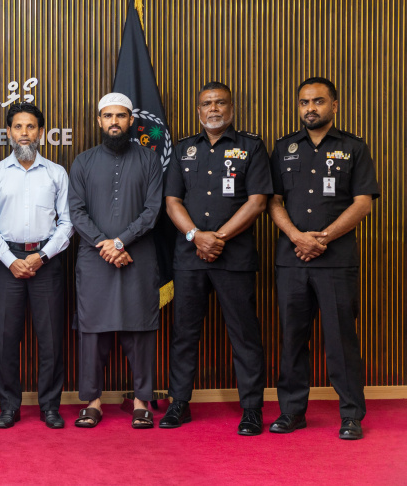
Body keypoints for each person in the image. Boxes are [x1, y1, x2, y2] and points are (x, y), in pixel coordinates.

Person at [267, 77, 379, 440]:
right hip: (292, 259)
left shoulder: (354, 147)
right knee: (292, 338)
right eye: (304, 102)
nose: (310, 108)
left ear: (334, 105)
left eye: (318, 101)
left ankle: (351, 415)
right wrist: (297, 237)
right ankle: (291, 412)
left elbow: (363, 203)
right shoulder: (283, 148)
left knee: (341, 340)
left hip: (336, 261)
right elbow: (273, 201)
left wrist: (323, 238)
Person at [160, 82, 271, 435]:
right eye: (207, 103)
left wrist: (218, 238)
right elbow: (172, 202)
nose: (213, 109)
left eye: (220, 102)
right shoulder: (183, 150)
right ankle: (179, 403)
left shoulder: (251, 147)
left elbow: (258, 201)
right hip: (189, 257)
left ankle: (251, 409)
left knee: (244, 334)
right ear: (198, 110)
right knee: (184, 333)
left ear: (231, 108)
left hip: (234, 257)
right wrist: (196, 236)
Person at [68, 92, 163, 429]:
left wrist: (121, 242)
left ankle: (141, 401)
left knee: (140, 329)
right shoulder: (83, 162)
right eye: (107, 116)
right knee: (93, 331)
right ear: (99, 120)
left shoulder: (150, 160)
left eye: (120, 116)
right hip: (95, 259)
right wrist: (104, 244)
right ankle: (92, 401)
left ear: (131, 120)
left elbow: (153, 209)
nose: (114, 122)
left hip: (138, 256)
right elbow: (76, 211)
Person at [0, 103, 74, 430]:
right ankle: (9, 407)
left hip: (46, 262)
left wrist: (41, 256)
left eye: (30, 127)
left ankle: (50, 407)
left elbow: (67, 223)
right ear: (8, 132)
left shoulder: (56, 173)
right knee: (6, 339)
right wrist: (11, 260)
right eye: (18, 127)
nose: (24, 133)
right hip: (7, 263)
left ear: (41, 133)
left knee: (51, 340)